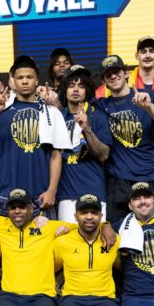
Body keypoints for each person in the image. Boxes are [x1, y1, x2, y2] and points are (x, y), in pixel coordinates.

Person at [0, 56, 69, 213]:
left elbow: (56, 155)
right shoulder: (0, 110)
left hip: (40, 197)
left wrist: (52, 191)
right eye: (20, 78)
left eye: (29, 77)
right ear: (13, 81)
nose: (25, 81)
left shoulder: (51, 112)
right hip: (6, 196)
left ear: (36, 80)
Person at [95, 54, 154, 223]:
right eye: (108, 74)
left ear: (126, 73)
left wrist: (149, 108)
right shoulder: (102, 105)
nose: (113, 76)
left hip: (152, 175)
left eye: (117, 71)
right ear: (104, 81)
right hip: (120, 180)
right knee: (119, 232)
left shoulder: (149, 96)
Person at [57, 65, 112, 221]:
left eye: (81, 86)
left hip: (94, 191)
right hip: (66, 195)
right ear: (65, 89)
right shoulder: (57, 117)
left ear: (87, 90)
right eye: (71, 85)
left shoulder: (97, 116)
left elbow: (104, 155)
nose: (76, 90)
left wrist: (87, 129)